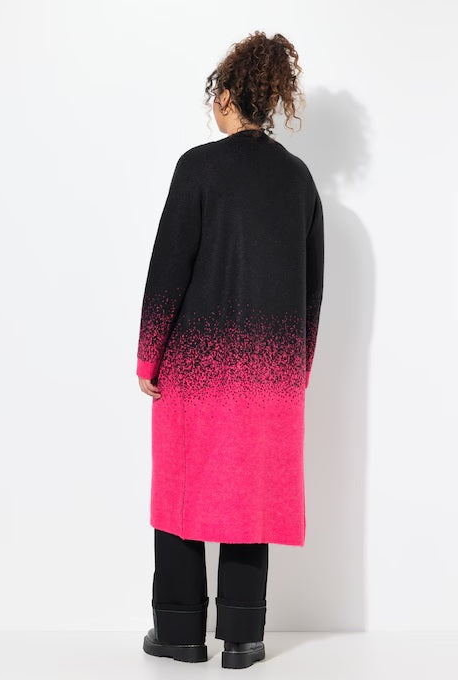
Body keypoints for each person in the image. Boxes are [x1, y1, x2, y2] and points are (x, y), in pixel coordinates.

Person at [136, 30, 324, 669]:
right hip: (272, 375)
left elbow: (168, 269)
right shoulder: (299, 180)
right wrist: (294, 373)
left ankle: (180, 632)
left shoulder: (198, 167)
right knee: (251, 499)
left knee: (181, 494)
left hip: (197, 369)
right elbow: (312, 290)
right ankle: (243, 638)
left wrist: (148, 356)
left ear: (225, 98)